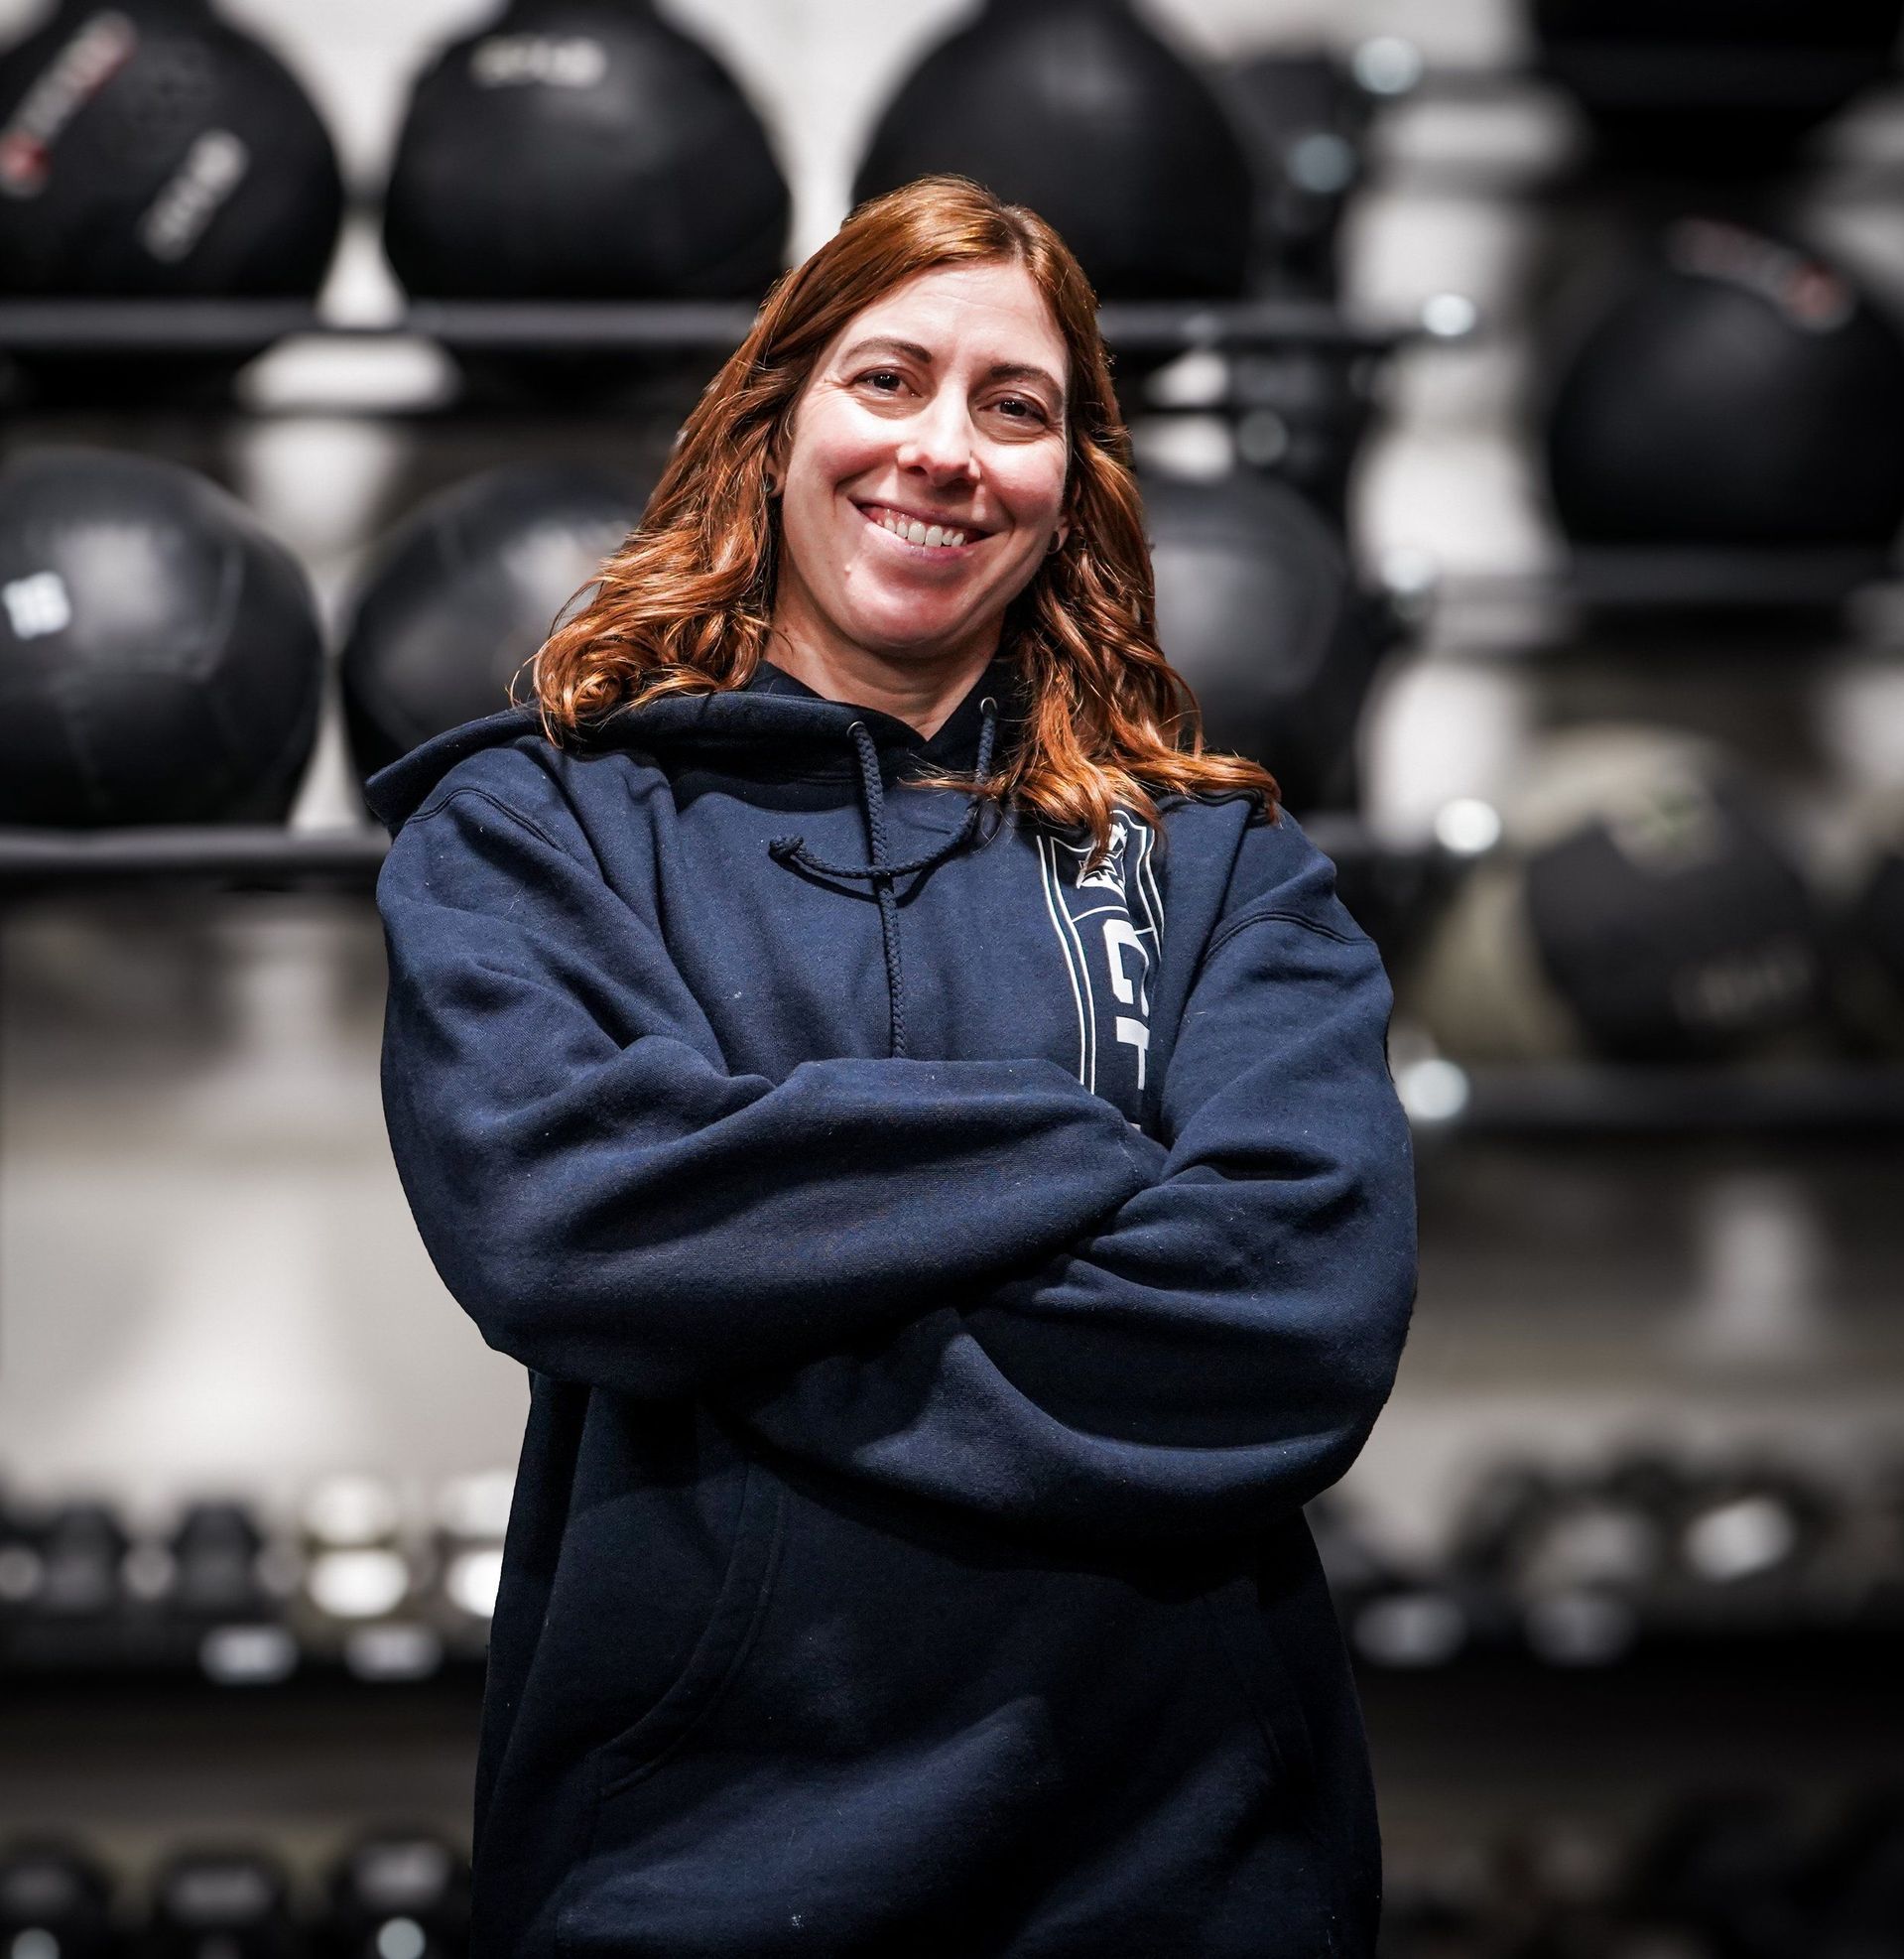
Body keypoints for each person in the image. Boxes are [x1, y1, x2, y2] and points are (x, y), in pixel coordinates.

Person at [369, 174, 1417, 1959]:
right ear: (775, 418)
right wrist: (1077, 1152)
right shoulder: (536, 830)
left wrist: (749, 1297)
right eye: (888, 379)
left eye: (1015, 407)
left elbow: (1298, 1311)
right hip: (690, 1869)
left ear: (1071, 482)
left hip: (1184, 1862)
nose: (944, 449)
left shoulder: (1221, 868)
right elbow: (560, 1220)